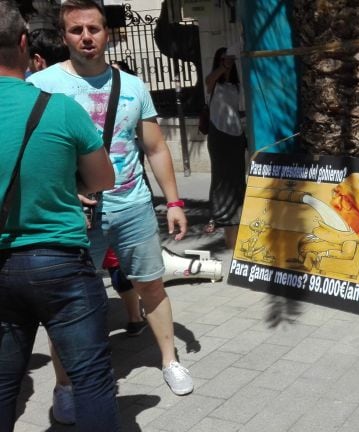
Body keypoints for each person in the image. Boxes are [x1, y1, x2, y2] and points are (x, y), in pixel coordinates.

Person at [28, 0, 193, 407]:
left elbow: (154, 147)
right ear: (64, 35)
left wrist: (173, 201)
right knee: (67, 304)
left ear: (108, 33)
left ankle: (169, 360)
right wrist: (63, 188)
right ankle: (66, 386)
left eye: (94, 29)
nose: (86, 37)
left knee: (151, 285)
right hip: (71, 215)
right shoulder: (42, 85)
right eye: (76, 30)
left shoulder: (133, 86)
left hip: (133, 205)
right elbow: (30, 152)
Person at [0, 2, 119, 429]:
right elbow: (102, 179)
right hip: (58, 260)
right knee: (90, 381)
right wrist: (65, 185)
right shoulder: (61, 109)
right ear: (23, 43)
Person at [298, 173, 359, 274]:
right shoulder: (343, 230)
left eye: (347, 202)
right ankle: (307, 258)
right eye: (336, 193)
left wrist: (327, 253)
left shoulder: (350, 242)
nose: (335, 202)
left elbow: (346, 254)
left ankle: (309, 258)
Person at [203, 46, 247, 250]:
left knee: (236, 175)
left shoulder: (236, 84)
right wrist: (223, 67)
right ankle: (217, 214)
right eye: (222, 59)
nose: (226, 62)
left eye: (229, 59)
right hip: (218, 133)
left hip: (236, 133)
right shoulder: (215, 83)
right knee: (220, 175)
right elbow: (208, 81)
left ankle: (237, 211)